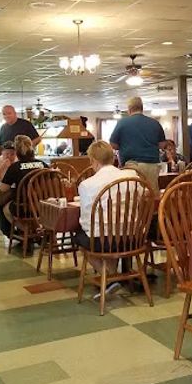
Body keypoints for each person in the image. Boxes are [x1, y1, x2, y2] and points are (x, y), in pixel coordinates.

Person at [76, 141, 139, 297]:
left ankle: (110, 277)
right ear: (113, 158)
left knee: (80, 237)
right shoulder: (132, 176)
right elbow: (143, 194)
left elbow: (86, 221)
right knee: (108, 235)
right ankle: (113, 277)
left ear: (94, 161)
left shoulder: (86, 185)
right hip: (133, 237)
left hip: (103, 240)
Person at [109, 96, 167, 192]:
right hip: (151, 165)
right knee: (151, 195)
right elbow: (162, 145)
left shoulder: (122, 123)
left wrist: (124, 145)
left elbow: (113, 144)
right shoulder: (155, 123)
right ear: (142, 108)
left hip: (131, 165)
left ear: (129, 109)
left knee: (133, 195)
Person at [0, 135, 46, 239]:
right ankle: (38, 230)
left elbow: (3, 189)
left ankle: (27, 231)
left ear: (17, 152)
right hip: (43, 206)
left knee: (5, 209)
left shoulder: (14, 167)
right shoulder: (42, 164)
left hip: (24, 208)